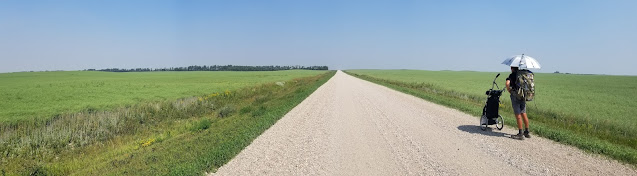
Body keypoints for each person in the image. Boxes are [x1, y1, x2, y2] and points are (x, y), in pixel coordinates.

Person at [506, 66, 531, 140]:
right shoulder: (523, 74)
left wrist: (509, 91)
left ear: (511, 68)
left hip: (515, 96)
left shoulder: (512, 75)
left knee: (518, 114)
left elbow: (507, 84)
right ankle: (527, 131)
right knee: (523, 113)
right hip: (523, 95)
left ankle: (520, 134)